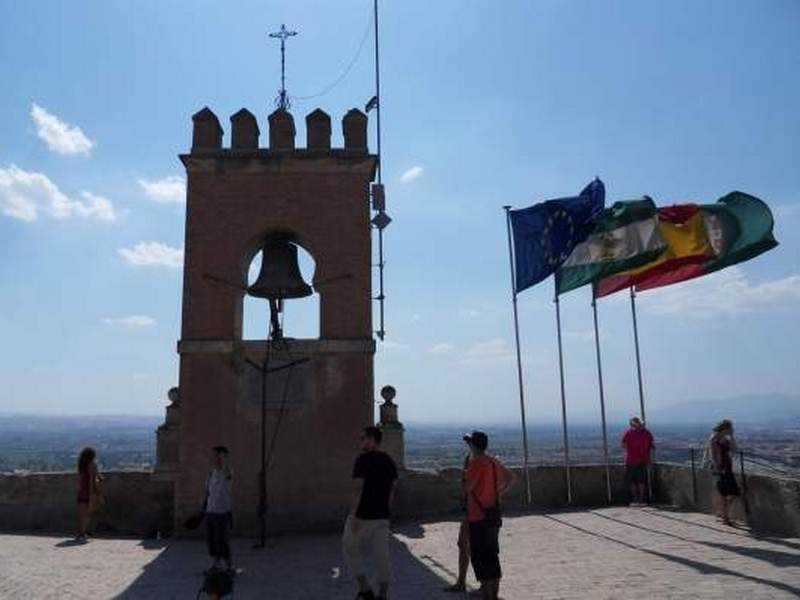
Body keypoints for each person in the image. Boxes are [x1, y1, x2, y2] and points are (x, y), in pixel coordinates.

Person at [343, 426, 398, 600]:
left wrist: (353, 515)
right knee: (382, 555)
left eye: (363, 438)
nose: (360, 441)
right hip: (382, 516)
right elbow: (392, 489)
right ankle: (383, 594)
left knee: (349, 547)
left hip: (363, 516)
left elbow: (358, 488)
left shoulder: (362, 460)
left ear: (372, 439)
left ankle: (365, 589)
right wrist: (387, 511)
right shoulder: (389, 460)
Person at [464, 431, 514, 600]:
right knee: (492, 555)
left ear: (473, 445)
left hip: (478, 516)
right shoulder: (492, 461)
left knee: (480, 557)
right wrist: (498, 493)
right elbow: (510, 477)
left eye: (469, 442)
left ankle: (487, 594)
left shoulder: (476, 463)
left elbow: (468, 487)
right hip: (493, 513)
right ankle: (493, 594)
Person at [444, 452, 476, 594]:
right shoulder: (473, 458)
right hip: (474, 509)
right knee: (467, 544)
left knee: (467, 544)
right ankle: (464, 582)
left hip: (475, 510)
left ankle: (465, 583)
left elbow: (468, 484)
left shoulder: (477, 460)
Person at [705, 419, 740, 526]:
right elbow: (712, 455)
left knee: (733, 493)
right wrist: (718, 468)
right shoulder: (714, 438)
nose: (731, 429)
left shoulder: (726, 439)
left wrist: (732, 437)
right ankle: (725, 518)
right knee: (725, 494)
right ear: (725, 428)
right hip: (721, 469)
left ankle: (722, 513)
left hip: (727, 468)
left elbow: (735, 450)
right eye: (730, 428)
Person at [205, 446, 234, 573]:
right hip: (210, 511)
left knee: (222, 540)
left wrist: (225, 458)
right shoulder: (211, 473)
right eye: (213, 456)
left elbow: (227, 473)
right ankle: (215, 564)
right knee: (212, 540)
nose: (213, 458)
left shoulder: (227, 472)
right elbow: (208, 492)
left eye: (216, 456)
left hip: (222, 512)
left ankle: (229, 566)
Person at [621, 416, 654, 506]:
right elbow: (652, 445)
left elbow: (623, 445)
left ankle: (635, 499)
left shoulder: (629, 433)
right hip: (643, 460)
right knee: (641, 481)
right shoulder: (647, 433)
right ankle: (641, 499)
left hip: (631, 460)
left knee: (632, 481)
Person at [76, 447, 102, 541]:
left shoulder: (81, 465)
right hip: (89, 491)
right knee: (88, 514)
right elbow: (92, 480)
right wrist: (92, 494)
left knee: (82, 513)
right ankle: (83, 532)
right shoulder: (92, 464)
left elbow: (80, 479)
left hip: (81, 491)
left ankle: (81, 532)